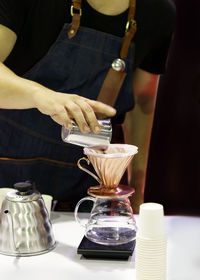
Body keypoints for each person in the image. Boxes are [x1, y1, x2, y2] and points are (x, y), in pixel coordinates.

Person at [0, 0, 175, 212]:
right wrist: (41, 96)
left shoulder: (158, 12)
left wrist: (137, 187)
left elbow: (142, 103)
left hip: (83, 196)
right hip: (7, 189)